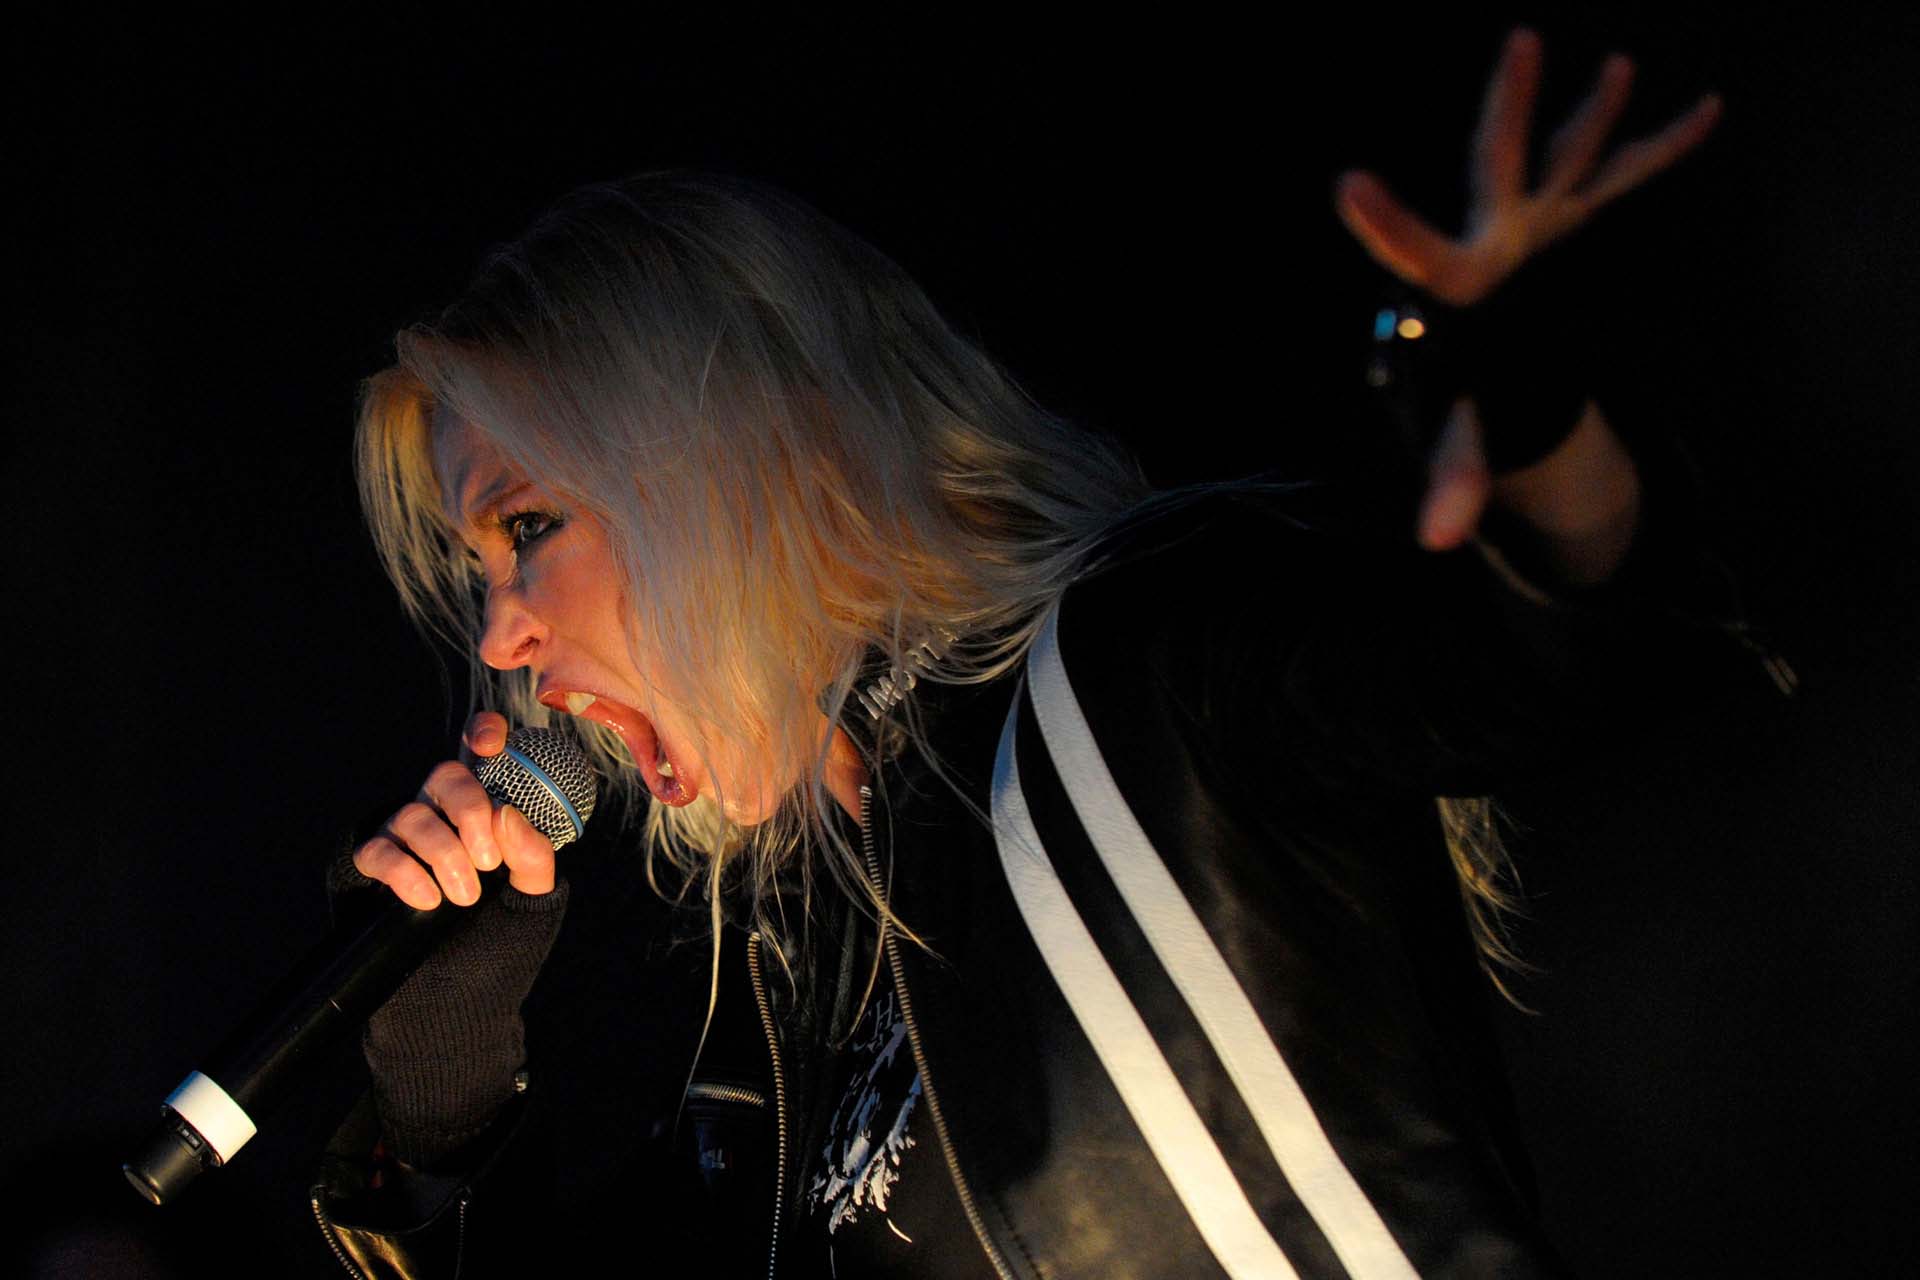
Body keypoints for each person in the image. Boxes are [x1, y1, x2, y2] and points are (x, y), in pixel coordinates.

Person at [316, 29, 1726, 1278]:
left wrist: (1532, 411)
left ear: (735, 450)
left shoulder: (1142, 659)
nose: (503, 636)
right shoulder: (785, 993)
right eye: (480, 569)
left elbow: (1553, 649)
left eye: (531, 525)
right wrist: (444, 1080)